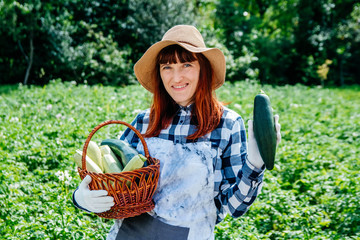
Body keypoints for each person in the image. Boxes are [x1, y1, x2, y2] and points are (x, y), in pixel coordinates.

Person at [73, 25, 281, 240]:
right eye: (167, 67)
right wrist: (81, 199)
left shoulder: (227, 124)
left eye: (187, 64)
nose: (176, 77)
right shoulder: (144, 121)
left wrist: (254, 166)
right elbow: (114, 184)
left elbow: (234, 208)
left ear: (203, 69)